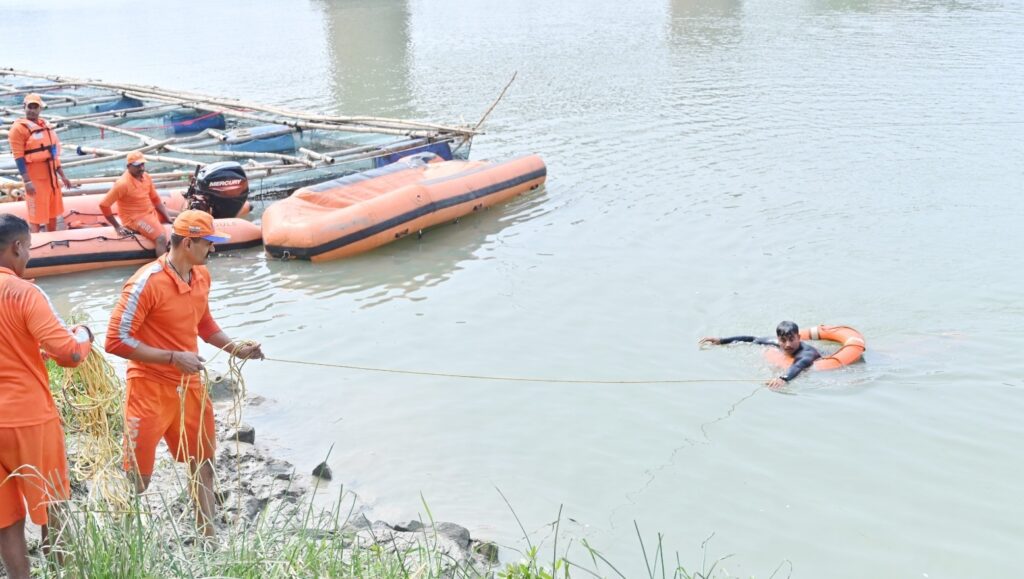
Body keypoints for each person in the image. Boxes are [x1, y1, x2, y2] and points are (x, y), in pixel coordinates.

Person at [104, 210, 263, 537]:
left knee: (203, 460)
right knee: (139, 475)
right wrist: (173, 357)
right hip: (148, 389)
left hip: (190, 385)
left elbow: (204, 325)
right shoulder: (146, 282)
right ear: (188, 242)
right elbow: (115, 341)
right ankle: (119, 536)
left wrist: (237, 348)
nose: (213, 250)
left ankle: (208, 535)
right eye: (208, 243)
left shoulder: (201, 276)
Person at [0, 214, 93, 579]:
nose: (29, 258)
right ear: (17, 247)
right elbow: (67, 352)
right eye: (28, 250)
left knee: (6, 519)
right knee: (53, 506)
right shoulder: (24, 291)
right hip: (29, 419)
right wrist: (84, 334)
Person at [6, 94, 73, 233]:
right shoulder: (18, 129)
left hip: (52, 178)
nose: (32, 110)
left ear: (40, 109)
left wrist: (63, 176)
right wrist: (27, 181)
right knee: (36, 214)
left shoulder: (45, 126)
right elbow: (18, 158)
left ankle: (52, 237)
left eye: (35, 107)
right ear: (24, 107)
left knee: (53, 212)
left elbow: (53, 155)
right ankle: (35, 242)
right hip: (35, 177)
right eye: (29, 106)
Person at [699, 321, 820, 389]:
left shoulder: (807, 354)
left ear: (798, 337)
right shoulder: (776, 343)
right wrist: (721, 340)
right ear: (778, 339)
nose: (787, 344)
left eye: (791, 339)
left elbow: (798, 366)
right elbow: (752, 339)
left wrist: (783, 378)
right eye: (783, 340)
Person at [98, 152, 175, 256]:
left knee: (180, 216)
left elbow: (156, 200)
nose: (141, 168)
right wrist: (117, 226)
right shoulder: (122, 184)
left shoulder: (146, 177)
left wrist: (167, 217)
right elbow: (104, 205)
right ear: (128, 166)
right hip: (135, 219)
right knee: (161, 238)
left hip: (150, 212)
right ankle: (164, 268)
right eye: (137, 166)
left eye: (143, 164)